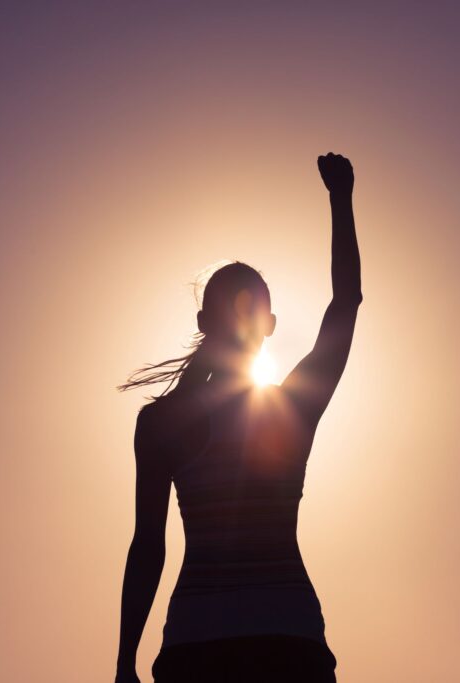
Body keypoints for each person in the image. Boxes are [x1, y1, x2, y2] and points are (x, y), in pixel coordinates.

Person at [114, 153, 362, 683]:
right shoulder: (293, 407)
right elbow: (346, 302)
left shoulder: (161, 422)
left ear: (204, 321)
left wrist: (124, 663)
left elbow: (147, 546)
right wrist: (341, 200)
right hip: (287, 639)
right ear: (269, 326)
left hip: (197, 644)